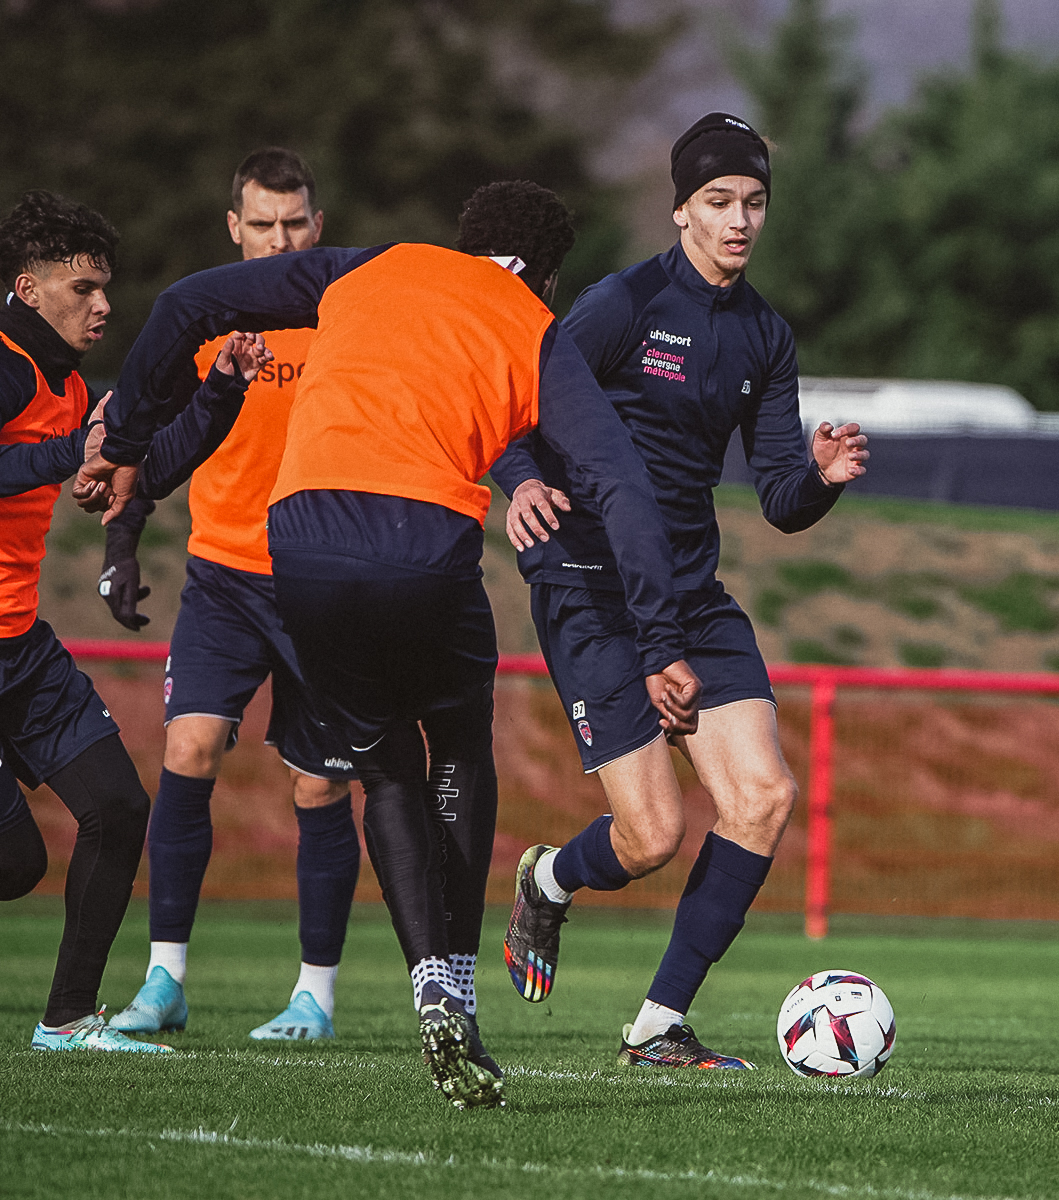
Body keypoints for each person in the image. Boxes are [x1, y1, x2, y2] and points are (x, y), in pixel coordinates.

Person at [79, 180, 698, 1108]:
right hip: (420, 546)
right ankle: (458, 980)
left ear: (463, 239)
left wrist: (124, 436)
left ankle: (431, 996)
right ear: (549, 277)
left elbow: (185, 303)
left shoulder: (376, 266)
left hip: (301, 544)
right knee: (455, 743)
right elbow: (621, 487)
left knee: (384, 772)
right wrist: (659, 641)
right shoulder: (532, 324)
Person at [493, 112, 868, 1070]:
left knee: (764, 798)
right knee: (652, 835)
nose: (738, 220)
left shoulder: (766, 337)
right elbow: (515, 401)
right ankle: (550, 878)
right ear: (681, 210)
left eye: (753, 202)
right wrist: (523, 480)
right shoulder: (622, 304)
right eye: (718, 202)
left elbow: (779, 499)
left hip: (691, 591)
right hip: (591, 581)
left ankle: (658, 1025)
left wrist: (819, 477)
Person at [106, 148, 363, 1044]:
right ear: (234, 229)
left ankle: (315, 998)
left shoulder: (346, 318)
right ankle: (165, 980)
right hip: (221, 575)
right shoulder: (205, 320)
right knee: (188, 749)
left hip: (323, 585)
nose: (280, 240)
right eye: (263, 226)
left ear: (317, 230)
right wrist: (120, 543)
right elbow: (154, 447)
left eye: (296, 226)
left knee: (318, 791)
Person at [0, 189, 260, 1053]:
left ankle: (68, 1019)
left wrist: (221, 390)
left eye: (106, 287)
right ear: (27, 289)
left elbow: (144, 464)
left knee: (116, 805)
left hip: (20, 650)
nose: (103, 305)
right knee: (15, 867)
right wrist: (63, 453)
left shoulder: (71, 387)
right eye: (82, 288)